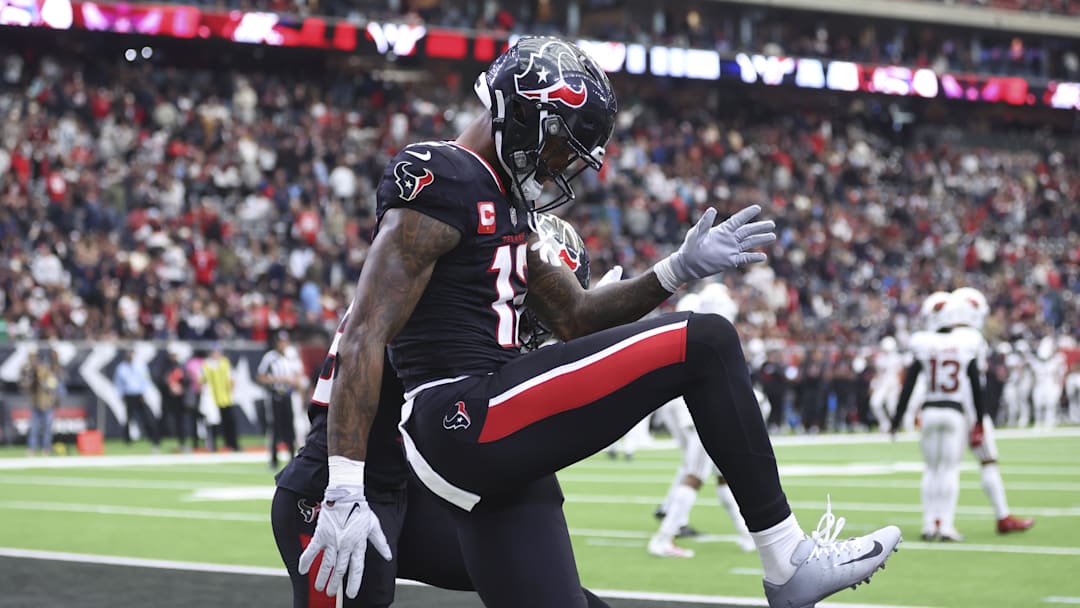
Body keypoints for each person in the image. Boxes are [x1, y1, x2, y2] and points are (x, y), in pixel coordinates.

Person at [300, 37, 900, 608]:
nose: (564, 165)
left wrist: (675, 269)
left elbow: (576, 315)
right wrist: (346, 486)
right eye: (561, 143)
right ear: (528, 113)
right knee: (707, 341)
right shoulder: (442, 173)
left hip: (493, 447)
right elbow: (364, 334)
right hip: (460, 414)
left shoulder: (502, 200)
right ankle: (787, 560)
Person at [274, 215, 612, 608]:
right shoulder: (431, 306)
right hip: (332, 492)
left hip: (398, 490)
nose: (542, 314)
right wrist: (588, 337)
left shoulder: (424, 286)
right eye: (544, 296)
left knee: (537, 582)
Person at [649, 283, 759, 558]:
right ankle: (663, 537)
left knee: (721, 474)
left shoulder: (694, 328)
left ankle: (747, 536)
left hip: (693, 404)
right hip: (700, 407)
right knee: (695, 472)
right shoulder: (709, 333)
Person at [890, 294, 985, 542]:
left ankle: (929, 523)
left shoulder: (924, 344)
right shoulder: (966, 342)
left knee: (931, 470)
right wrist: (980, 421)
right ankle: (946, 525)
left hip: (930, 410)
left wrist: (896, 419)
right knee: (950, 470)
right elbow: (976, 386)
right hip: (954, 411)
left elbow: (909, 384)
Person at [947, 288, 1035, 535]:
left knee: (943, 469)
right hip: (968, 410)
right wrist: (977, 419)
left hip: (948, 409)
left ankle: (938, 522)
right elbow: (975, 381)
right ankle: (1002, 516)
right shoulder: (973, 339)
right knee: (988, 461)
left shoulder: (945, 337)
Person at [258, 331, 302, 468]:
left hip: (288, 395)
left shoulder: (292, 357)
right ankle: (273, 459)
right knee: (275, 427)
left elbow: (298, 376)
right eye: (280, 342)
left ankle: (291, 457)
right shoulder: (270, 357)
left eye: (285, 342)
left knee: (290, 427)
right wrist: (276, 379)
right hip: (275, 395)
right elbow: (260, 376)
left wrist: (294, 381)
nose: (283, 345)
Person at [113, 349, 160, 452]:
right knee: (127, 418)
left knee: (147, 417)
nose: (130, 356)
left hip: (140, 395)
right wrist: (120, 394)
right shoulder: (121, 368)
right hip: (128, 395)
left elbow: (146, 380)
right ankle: (127, 440)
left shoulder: (140, 366)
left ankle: (152, 438)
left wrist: (144, 392)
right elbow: (118, 382)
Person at [23, 349, 64, 456]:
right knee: (34, 428)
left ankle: (46, 448)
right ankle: (32, 449)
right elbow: (27, 387)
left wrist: (42, 382)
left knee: (47, 429)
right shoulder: (32, 373)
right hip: (36, 404)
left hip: (47, 405)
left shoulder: (49, 374)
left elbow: (52, 387)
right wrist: (34, 380)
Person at [155, 348, 194, 452]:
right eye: (172, 354)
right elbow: (158, 379)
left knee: (180, 422)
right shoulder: (163, 366)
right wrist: (169, 386)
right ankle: (156, 444)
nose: (174, 357)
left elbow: (187, 380)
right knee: (163, 421)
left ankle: (182, 444)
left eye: (175, 355)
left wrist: (181, 388)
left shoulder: (181, 366)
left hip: (179, 399)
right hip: (167, 398)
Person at [204, 345, 240, 452]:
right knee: (213, 424)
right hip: (212, 399)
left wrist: (231, 391)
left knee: (230, 423)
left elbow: (231, 377)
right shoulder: (207, 365)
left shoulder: (225, 362)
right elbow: (202, 380)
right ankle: (213, 446)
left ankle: (232, 444)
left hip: (225, 398)